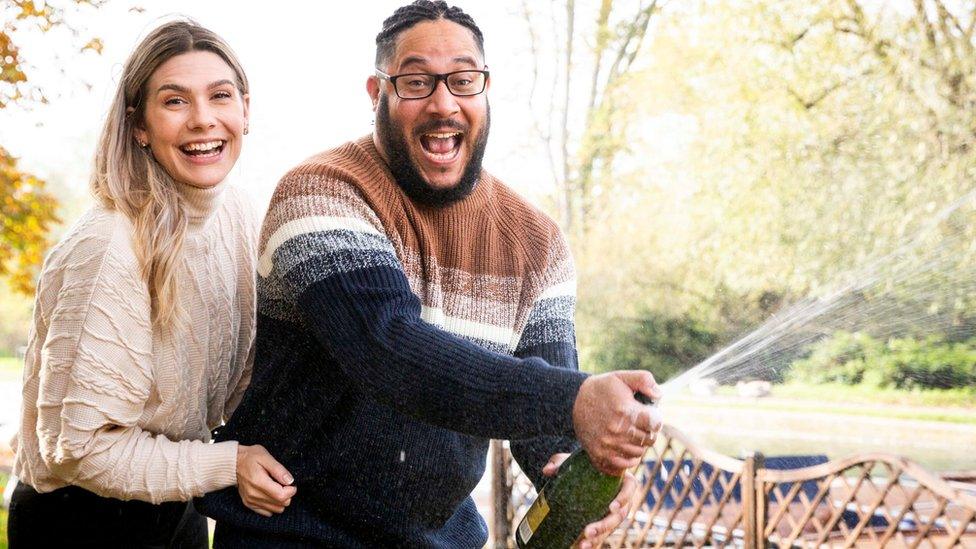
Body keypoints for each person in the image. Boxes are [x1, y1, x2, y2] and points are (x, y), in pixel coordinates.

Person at [198, 2, 663, 547]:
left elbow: (547, 423)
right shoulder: (320, 193)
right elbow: (386, 348)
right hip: (295, 534)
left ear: (485, 90)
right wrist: (575, 398)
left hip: (443, 539)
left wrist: (576, 465)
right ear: (378, 94)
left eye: (464, 81)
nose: (444, 103)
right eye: (417, 82)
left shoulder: (539, 243)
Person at [7, 20, 295, 548]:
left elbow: (251, 373)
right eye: (175, 102)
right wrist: (230, 463)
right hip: (78, 521)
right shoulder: (109, 246)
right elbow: (80, 450)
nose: (203, 120)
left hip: (170, 506)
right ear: (139, 125)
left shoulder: (238, 214)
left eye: (220, 96)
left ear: (245, 110)